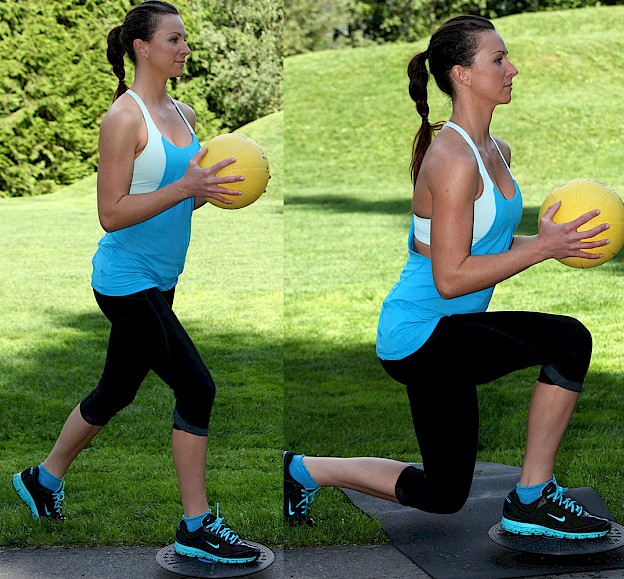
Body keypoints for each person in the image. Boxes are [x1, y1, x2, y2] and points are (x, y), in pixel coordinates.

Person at [284, 15, 612, 540]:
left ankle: (303, 470)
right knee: (568, 340)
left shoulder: (494, 151)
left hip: (448, 334)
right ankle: (532, 498)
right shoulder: (453, 158)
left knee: (443, 494)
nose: (513, 70)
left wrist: (555, 244)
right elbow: (452, 278)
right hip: (420, 335)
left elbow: (475, 245)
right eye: (498, 60)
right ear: (461, 74)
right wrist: (544, 248)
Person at [12, 1, 259, 564]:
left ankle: (41, 479)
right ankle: (196, 527)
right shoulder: (123, 120)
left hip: (162, 278)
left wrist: (209, 191)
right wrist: (184, 187)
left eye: (185, 39)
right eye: (174, 39)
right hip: (124, 282)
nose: (185, 48)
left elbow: (179, 196)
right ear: (142, 48)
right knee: (197, 387)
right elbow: (112, 212)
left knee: (117, 391)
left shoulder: (186, 112)